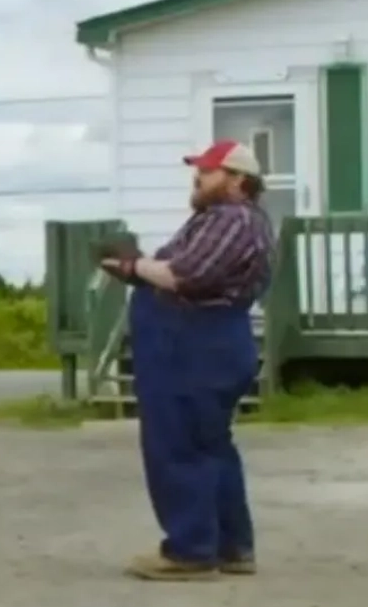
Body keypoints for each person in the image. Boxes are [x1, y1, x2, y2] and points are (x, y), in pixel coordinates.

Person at [101, 139, 273, 582]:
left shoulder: (233, 219)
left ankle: (191, 550)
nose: (198, 177)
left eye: (209, 170)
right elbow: (173, 266)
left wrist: (134, 266)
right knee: (210, 445)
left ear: (237, 180)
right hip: (201, 341)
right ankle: (231, 546)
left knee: (178, 446)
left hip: (198, 344)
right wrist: (135, 266)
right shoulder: (214, 220)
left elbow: (184, 276)